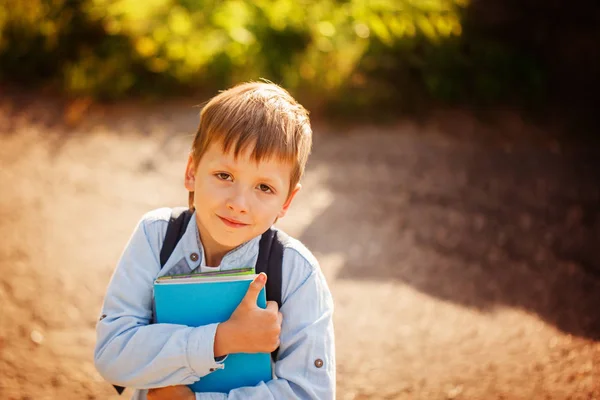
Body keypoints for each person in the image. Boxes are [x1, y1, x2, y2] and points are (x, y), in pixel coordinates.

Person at [94, 82, 336, 400]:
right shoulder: (156, 237)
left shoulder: (295, 271)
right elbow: (112, 355)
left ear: (287, 202)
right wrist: (221, 339)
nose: (239, 203)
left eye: (264, 187)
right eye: (224, 176)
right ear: (192, 171)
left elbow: (310, 393)